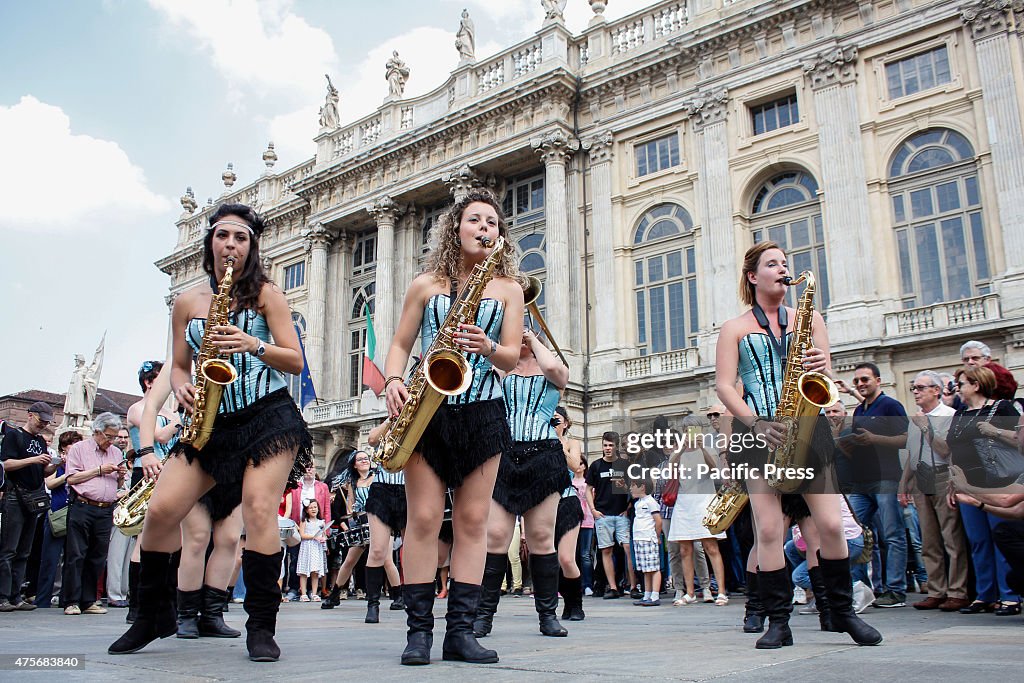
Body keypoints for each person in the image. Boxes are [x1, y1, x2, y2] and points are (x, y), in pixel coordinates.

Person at [108, 203, 312, 662]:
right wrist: (181, 387)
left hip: (267, 416)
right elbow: (180, 366)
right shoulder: (187, 303)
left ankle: (261, 626)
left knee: (259, 509)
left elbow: (295, 360)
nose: (231, 246)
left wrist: (253, 344)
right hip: (210, 422)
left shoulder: (267, 295)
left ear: (251, 247)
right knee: (161, 510)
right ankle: (151, 617)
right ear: (211, 242)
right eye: (224, 236)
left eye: (241, 239)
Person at [715, 241, 881, 649]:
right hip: (759, 436)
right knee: (769, 529)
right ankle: (778, 622)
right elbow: (723, 386)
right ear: (753, 276)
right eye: (773, 264)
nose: (783, 270)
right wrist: (755, 423)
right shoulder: (734, 328)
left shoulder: (810, 318)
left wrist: (827, 374)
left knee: (829, 525)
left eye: (785, 263)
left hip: (809, 430)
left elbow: (822, 378)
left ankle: (842, 614)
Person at [382, 189, 524, 666]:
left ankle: (460, 633)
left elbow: (510, 355)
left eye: (492, 223)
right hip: (428, 409)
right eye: (475, 220)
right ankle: (418, 632)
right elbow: (401, 343)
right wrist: (393, 381)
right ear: (455, 228)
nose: (485, 229)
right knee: (422, 520)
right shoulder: (426, 284)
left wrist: (487, 345)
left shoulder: (509, 289)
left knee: (472, 523)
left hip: (484, 410)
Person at [473, 325, 570, 639]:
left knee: (541, 536)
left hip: (543, 455)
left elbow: (557, 370)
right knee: (497, 535)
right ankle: (483, 616)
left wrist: (534, 340)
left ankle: (547, 616)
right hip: (503, 455)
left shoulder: (550, 369)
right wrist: (504, 346)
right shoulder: (500, 370)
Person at [933, 365, 1021, 616]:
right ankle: (985, 594)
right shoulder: (960, 415)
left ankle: (1009, 595)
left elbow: (1019, 440)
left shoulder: (1002, 408)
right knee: (978, 541)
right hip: (967, 484)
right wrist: (952, 479)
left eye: (961, 383)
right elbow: (951, 450)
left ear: (976, 385)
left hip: (997, 481)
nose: (957, 388)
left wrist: (995, 431)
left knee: (1000, 536)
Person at [896, 370, 969, 612]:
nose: (915, 392)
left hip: (942, 478)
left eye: (920, 388)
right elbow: (911, 453)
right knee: (929, 540)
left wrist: (927, 427)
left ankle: (958, 591)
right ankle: (937, 589)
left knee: (951, 537)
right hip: (921, 480)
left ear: (936, 390)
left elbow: (945, 450)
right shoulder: (916, 418)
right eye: (913, 388)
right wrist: (903, 483)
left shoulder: (949, 415)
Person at [841, 362, 910, 608]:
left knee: (892, 535)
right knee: (854, 534)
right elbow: (864, 443)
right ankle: (862, 589)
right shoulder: (859, 410)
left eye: (865, 379)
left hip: (886, 478)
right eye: (857, 380)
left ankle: (896, 589)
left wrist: (874, 439)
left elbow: (906, 439)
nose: (860, 384)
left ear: (878, 381)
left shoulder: (891, 405)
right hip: (862, 481)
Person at [61, 412, 128, 615]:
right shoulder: (79, 449)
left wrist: (120, 477)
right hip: (83, 505)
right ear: (97, 432)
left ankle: (89, 600)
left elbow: (117, 483)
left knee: (98, 555)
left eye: (114, 437)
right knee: (76, 553)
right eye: (108, 436)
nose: (111, 441)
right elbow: (71, 478)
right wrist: (99, 470)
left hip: (106, 508)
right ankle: (71, 600)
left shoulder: (116, 453)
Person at [0, 401, 56, 612]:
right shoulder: (15, 435)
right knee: (9, 549)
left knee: (24, 550)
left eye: (46, 421)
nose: (43, 424)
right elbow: (5, 464)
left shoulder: (40, 441)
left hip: (33, 496)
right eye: (41, 420)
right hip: (15, 495)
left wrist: (53, 466)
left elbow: (43, 472)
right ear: (30, 415)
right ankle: (3, 596)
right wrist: (33, 460)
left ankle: (16, 596)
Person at [666, 419, 728, 607]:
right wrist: (683, 448)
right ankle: (690, 592)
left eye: (694, 429)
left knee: (711, 547)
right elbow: (671, 466)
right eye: (686, 429)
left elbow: (713, 469)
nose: (690, 433)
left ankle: (722, 592)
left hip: (704, 501)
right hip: (684, 503)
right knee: (685, 549)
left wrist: (701, 448)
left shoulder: (709, 448)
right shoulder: (679, 450)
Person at [359, 419, 408, 622]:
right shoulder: (387, 424)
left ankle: (413, 600)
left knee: (413, 549)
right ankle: (373, 604)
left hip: (407, 490)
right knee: (378, 549)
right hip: (381, 490)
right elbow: (371, 439)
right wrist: (391, 419)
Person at [34, 430, 82, 608]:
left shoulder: (81, 464)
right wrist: (66, 474)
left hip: (75, 513)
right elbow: (49, 483)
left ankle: (66, 599)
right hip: (57, 513)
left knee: (72, 559)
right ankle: (42, 599)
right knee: (50, 559)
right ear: (63, 449)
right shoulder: (58, 464)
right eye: (71, 447)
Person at [586, 432, 635, 599]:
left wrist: (628, 505)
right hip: (603, 514)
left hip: (621, 514)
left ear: (616, 446)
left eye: (611, 445)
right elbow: (587, 489)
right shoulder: (596, 465)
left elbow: (633, 487)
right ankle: (613, 587)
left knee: (628, 549)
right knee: (605, 551)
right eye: (605, 445)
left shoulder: (624, 464)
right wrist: (592, 509)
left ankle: (633, 585)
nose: (607, 448)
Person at [552, 406, 586, 618]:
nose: (553, 423)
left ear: (565, 423)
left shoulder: (571, 443)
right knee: (549, 560)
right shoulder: (540, 441)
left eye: (557, 419)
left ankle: (575, 604)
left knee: (566, 558)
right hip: (543, 504)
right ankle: (551, 608)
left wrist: (558, 443)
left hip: (567, 502)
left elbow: (575, 466)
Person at [105, 427, 133, 608]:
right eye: (118, 437)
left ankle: (123, 591)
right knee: (116, 556)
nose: (121, 440)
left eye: (125, 437)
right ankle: (114, 594)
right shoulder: (112, 457)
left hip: (132, 514)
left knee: (128, 557)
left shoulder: (124, 459)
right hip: (116, 513)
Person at [629, 477, 662, 606]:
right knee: (645, 569)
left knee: (654, 568)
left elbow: (658, 520)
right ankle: (647, 593)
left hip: (648, 538)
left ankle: (655, 595)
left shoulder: (650, 502)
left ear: (642, 486)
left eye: (633, 485)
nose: (631, 488)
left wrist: (656, 536)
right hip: (639, 538)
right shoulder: (638, 503)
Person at [296, 500, 327, 601]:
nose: (313, 509)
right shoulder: (304, 521)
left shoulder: (321, 522)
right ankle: (303, 593)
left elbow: (324, 534)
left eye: (315, 507)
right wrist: (314, 537)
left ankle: (314, 593)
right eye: (311, 507)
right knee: (304, 571)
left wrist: (323, 539)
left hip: (316, 547)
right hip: (307, 546)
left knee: (315, 571)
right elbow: (302, 535)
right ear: (306, 510)